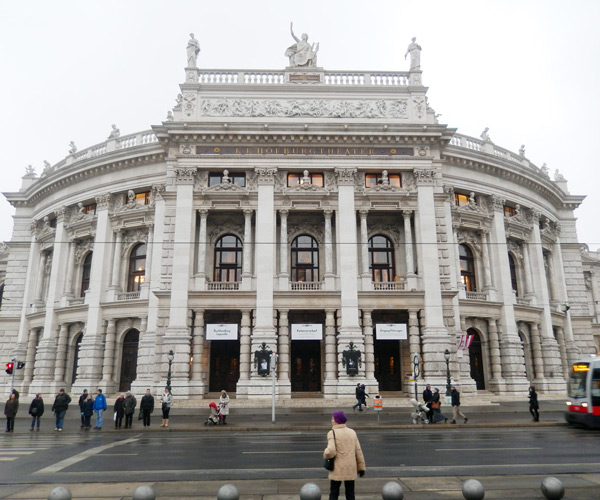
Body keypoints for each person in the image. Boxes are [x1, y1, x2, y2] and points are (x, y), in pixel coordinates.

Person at [323, 411, 366, 500]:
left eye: (333, 418)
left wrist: (325, 454)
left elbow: (330, 451)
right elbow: (358, 451)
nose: (331, 420)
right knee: (350, 493)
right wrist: (361, 468)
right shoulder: (352, 432)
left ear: (337, 420)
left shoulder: (332, 433)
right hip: (350, 467)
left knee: (334, 493)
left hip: (338, 468)